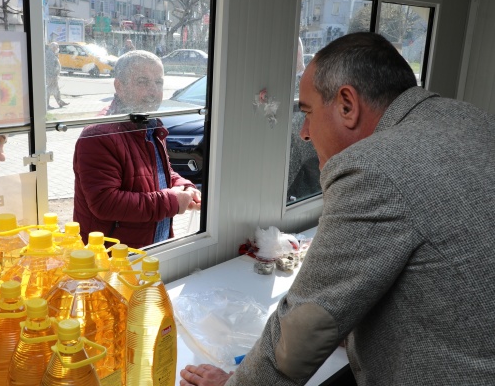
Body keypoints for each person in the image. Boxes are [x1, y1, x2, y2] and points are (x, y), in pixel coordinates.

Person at [180, 32, 495, 385]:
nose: (304, 133)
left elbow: (306, 324)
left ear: (347, 104)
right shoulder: (470, 118)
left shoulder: (375, 167)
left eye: (308, 113)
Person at [73, 50, 201, 248]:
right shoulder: (99, 134)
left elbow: (159, 171)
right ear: (119, 86)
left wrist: (185, 186)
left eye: (158, 83)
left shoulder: (149, 123)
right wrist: (172, 201)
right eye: (142, 82)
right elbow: (105, 202)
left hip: (152, 245)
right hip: (115, 258)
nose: (153, 91)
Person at [45, 42, 68, 109]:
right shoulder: (49, 54)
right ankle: (47, 105)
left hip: (52, 76)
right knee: (49, 90)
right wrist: (54, 75)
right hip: (51, 76)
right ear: (53, 47)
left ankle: (60, 102)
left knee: (56, 89)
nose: (58, 48)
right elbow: (51, 66)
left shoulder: (52, 54)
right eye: (57, 47)